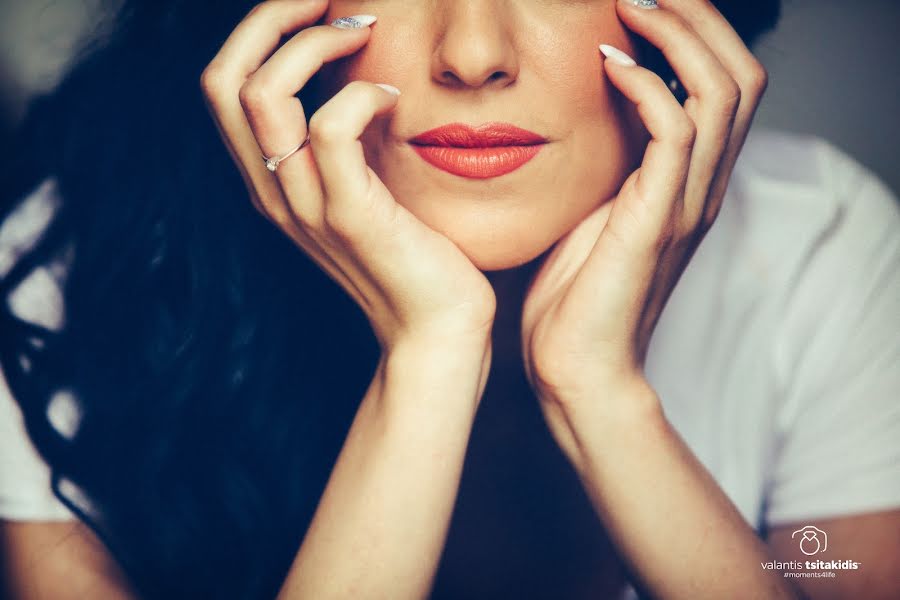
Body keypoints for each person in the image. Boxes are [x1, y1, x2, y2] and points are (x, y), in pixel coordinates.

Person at [0, 0, 897, 598]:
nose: (472, 54)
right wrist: (426, 364)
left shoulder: (816, 242)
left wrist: (602, 397)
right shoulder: (75, 275)